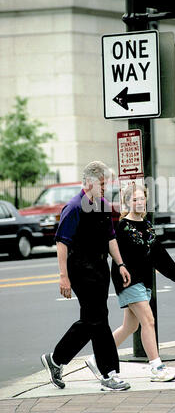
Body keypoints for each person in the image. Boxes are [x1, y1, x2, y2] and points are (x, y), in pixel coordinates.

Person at [41, 161, 131, 392]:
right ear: (90, 182)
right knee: (99, 320)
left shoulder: (102, 204)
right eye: (102, 184)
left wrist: (120, 263)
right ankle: (109, 373)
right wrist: (63, 277)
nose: (105, 188)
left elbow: (111, 238)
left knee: (92, 320)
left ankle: (56, 360)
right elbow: (62, 243)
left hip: (100, 268)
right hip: (80, 268)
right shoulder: (74, 207)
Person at [85, 183, 175, 383]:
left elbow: (158, 253)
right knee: (148, 321)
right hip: (129, 281)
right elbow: (113, 254)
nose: (139, 202)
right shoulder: (122, 227)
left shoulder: (147, 225)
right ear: (127, 202)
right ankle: (157, 367)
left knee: (130, 327)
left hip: (144, 281)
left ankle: (97, 358)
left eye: (141, 198)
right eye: (134, 199)